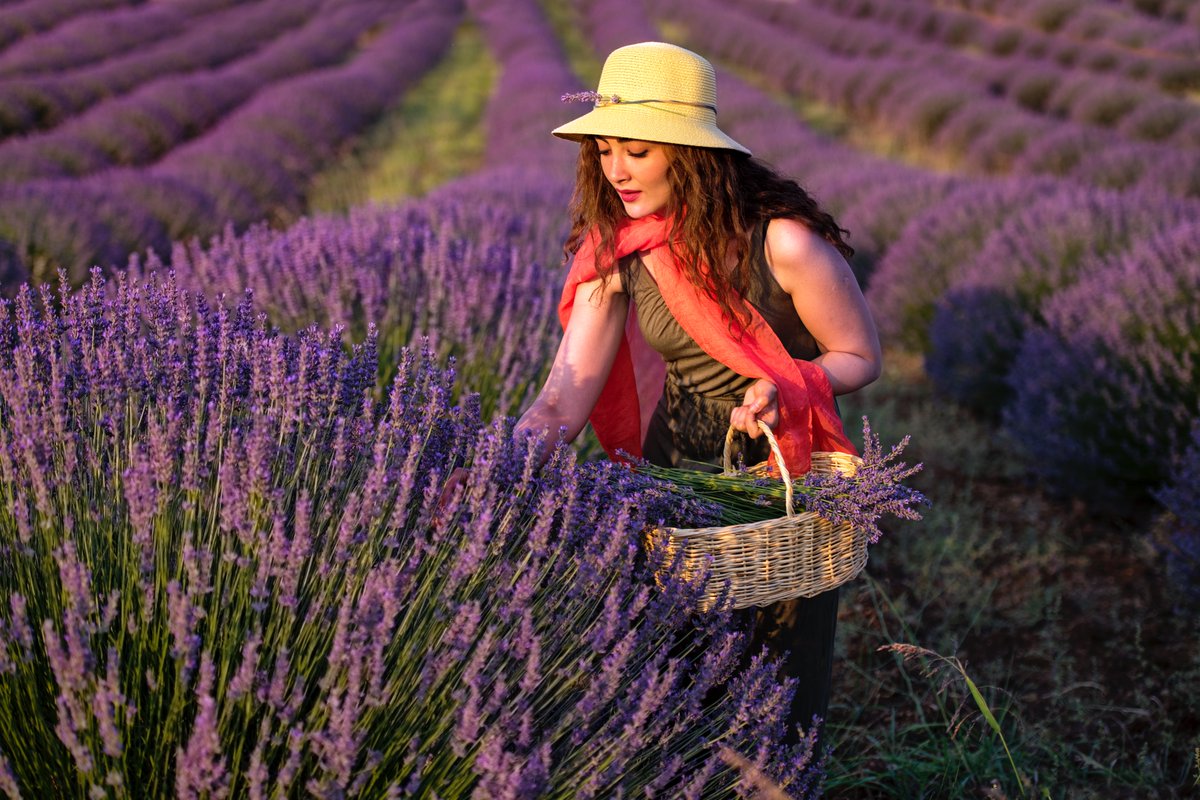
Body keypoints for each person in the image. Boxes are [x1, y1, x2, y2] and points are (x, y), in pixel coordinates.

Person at [515, 42, 881, 741]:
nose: (614, 170)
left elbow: (861, 357)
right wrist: (498, 470)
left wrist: (790, 382)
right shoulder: (618, 252)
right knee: (672, 682)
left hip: (779, 483)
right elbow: (562, 400)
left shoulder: (785, 245)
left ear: (689, 154)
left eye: (637, 151)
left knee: (779, 688)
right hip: (675, 479)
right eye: (603, 150)